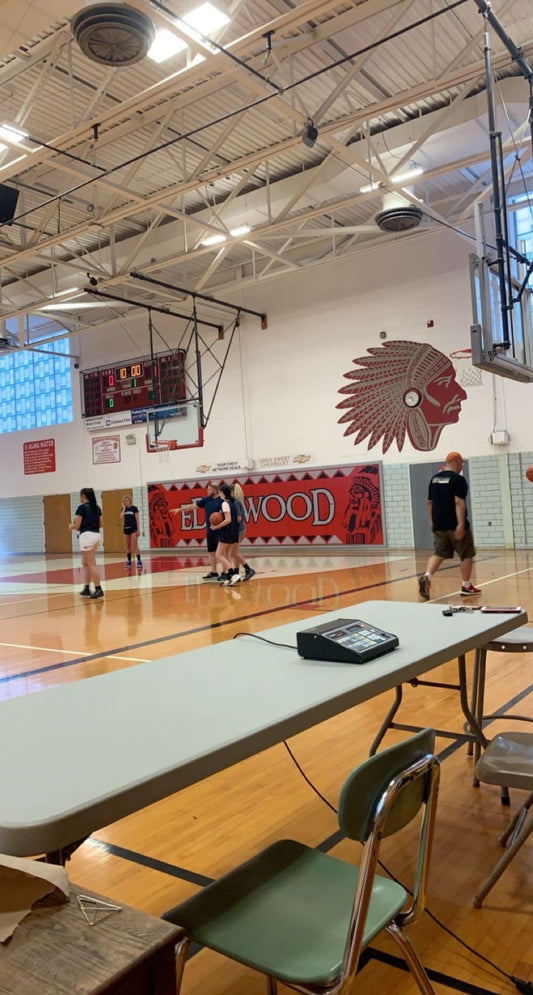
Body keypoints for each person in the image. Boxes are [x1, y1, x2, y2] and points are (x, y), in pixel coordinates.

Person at [418, 451, 481, 600]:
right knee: (466, 555)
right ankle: (466, 587)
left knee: (439, 553)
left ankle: (427, 576)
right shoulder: (458, 479)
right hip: (454, 523)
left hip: (439, 524)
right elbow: (458, 501)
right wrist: (460, 524)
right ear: (457, 461)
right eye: (461, 463)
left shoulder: (434, 479)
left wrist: (432, 521)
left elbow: (429, 502)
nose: (462, 466)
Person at [173, 482, 222, 581]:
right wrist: (180, 509)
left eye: (209, 489)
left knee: (222, 553)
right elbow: (193, 506)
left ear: (215, 490)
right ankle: (214, 572)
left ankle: (226, 572)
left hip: (221, 530)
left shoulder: (222, 500)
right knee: (211, 552)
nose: (207, 491)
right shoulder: (207, 499)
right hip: (210, 530)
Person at [69, 487, 104, 599]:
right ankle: (86, 588)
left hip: (87, 536)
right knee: (85, 562)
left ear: (83, 496)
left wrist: (71, 527)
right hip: (97, 535)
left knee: (91, 564)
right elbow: (101, 523)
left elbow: (77, 525)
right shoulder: (97, 507)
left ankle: (98, 589)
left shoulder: (82, 508)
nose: (79, 497)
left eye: (80, 495)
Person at [210, 483, 240, 585]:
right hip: (234, 532)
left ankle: (233, 574)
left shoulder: (225, 503)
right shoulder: (233, 502)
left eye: (220, 492)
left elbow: (228, 520)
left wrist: (216, 526)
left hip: (227, 532)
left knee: (218, 555)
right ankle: (228, 578)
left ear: (222, 493)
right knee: (227, 555)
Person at [229, 483, 255, 583]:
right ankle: (236, 572)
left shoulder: (235, 502)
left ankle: (248, 569)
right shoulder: (238, 501)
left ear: (231, 492)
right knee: (235, 552)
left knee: (233, 553)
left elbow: (239, 518)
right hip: (241, 529)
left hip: (238, 530)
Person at [120, 495, 142, 569]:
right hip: (126, 529)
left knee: (135, 545)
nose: (126, 502)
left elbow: (137, 520)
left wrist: (138, 530)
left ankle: (139, 560)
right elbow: (120, 516)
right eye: (124, 501)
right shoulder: (124, 509)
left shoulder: (134, 508)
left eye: (127, 501)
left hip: (133, 529)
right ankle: (129, 561)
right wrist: (123, 508)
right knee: (128, 546)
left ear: (130, 501)